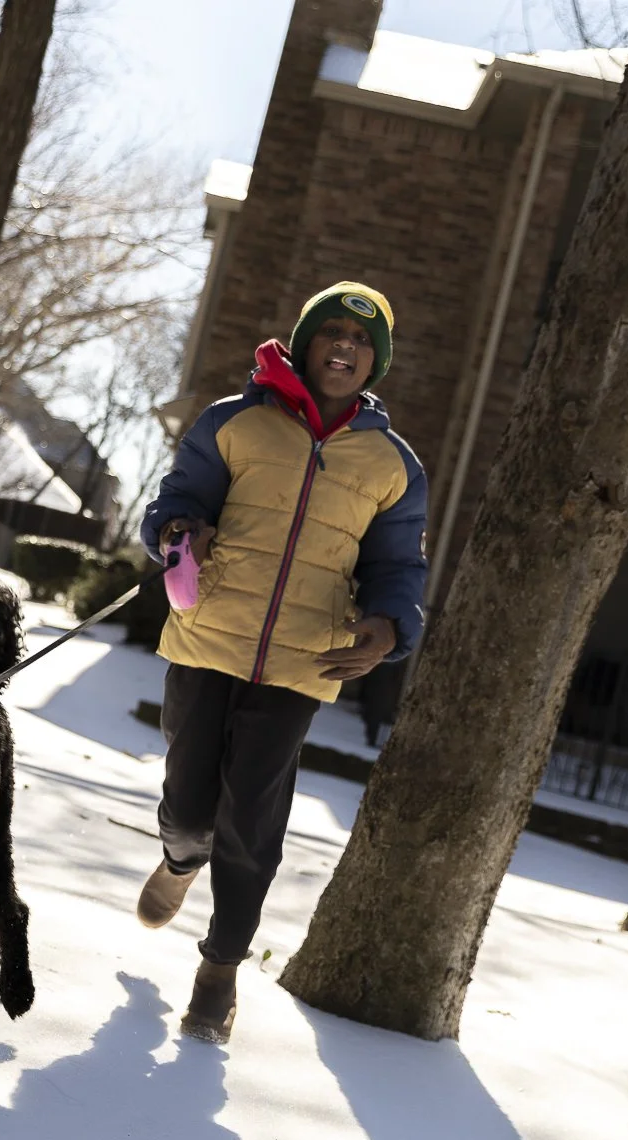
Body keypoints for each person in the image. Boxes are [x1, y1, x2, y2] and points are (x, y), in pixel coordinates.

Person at [137, 282, 429, 1043]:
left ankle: (219, 969)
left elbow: (398, 565)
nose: (345, 344)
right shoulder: (233, 423)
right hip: (208, 639)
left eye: (362, 340)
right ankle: (177, 857)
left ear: (376, 363)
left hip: (306, 661)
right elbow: (176, 501)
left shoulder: (394, 467)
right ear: (303, 343)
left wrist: (388, 625)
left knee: (251, 824)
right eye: (330, 329)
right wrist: (179, 531)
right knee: (190, 804)